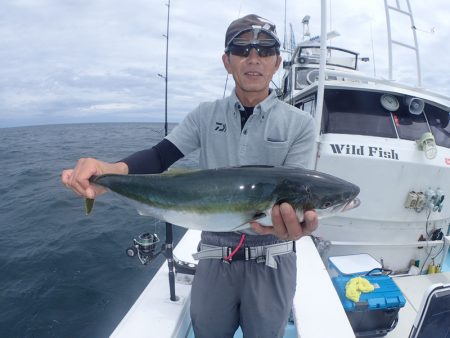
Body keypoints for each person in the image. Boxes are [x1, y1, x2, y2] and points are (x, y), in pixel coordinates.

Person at [61, 14, 318, 338]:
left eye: (265, 50)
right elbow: (159, 157)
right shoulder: (204, 115)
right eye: (242, 49)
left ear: (278, 61)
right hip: (213, 252)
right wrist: (107, 172)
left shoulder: (301, 124)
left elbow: (295, 190)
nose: (254, 58)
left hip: (274, 256)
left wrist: (296, 228)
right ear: (227, 61)